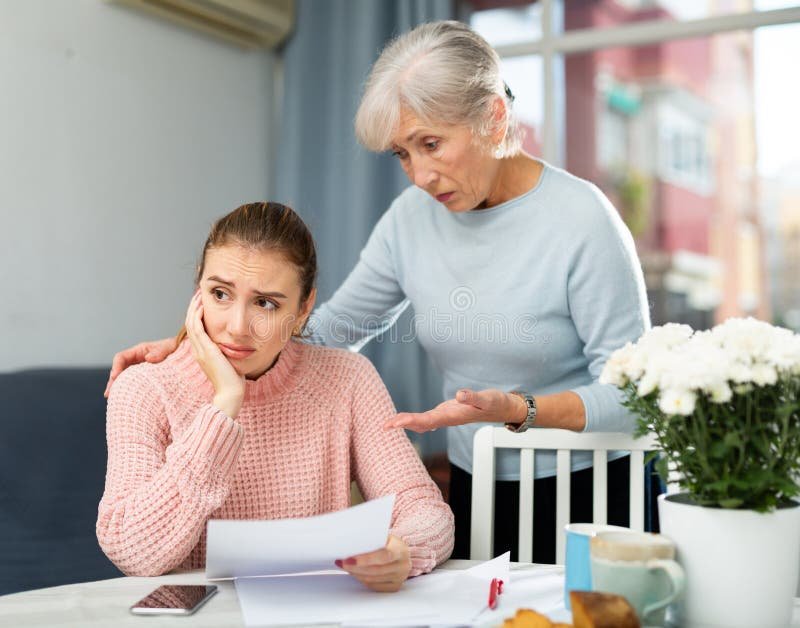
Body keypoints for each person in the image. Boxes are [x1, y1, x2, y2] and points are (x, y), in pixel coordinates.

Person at [104, 21, 650, 563]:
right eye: (403, 154)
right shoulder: (412, 218)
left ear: (493, 116)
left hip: (592, 482)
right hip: (478, 478)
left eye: (431, 144)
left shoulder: (582, 221)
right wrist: (199, 345)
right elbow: (323, 327)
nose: (418, 175)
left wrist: (517, 409)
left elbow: (638, 399)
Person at [97, 202, 454, 590]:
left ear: (303, 309)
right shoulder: (144, 389)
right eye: (220, 294)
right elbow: (131, 551)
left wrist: (405, 550)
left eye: (265, 303)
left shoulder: (348, 380)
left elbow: (424, 510)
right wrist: (224, 407)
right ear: (197, 291)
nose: (236, 327)